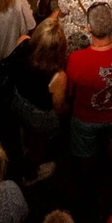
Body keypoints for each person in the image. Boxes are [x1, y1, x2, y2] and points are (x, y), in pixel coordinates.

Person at [65, 2, 112, 173]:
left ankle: (89, 181)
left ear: (88, 29)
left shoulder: (76, 60)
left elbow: (69, 92)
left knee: (86, 152)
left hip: (85, 117)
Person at [5, 18, 69, 186]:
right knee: (39, 143)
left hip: (17, 100)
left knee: (23, 129)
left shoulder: (22, 43)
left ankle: (23, 146)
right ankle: (32, 173)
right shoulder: (58, 76)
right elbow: (59, 106)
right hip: (39, 115)